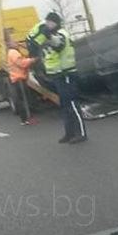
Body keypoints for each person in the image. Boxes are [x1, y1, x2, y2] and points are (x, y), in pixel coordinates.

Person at [42, 11, 87, 144]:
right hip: (59, 75)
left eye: (49, 22)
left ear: (55, 23)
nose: (47, 24)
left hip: (67, 73)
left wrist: (48, 35)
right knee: (65, 105)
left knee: (72, 103)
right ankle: (69, 133)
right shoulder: (55, 35)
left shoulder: (61, 34)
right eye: (46, 22)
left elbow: (58, 45)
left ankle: (81, 133)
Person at [5, 34, 39, 125]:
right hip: (19, 78)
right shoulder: (13, 53)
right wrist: (33, 60)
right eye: (13, 41)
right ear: (9, 44)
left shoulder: (12, 52)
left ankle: (25, 119)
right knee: (24, 100)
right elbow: (22, 63)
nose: (16, 43)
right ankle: (27, 119)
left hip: (17, 78)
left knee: (22, 100)